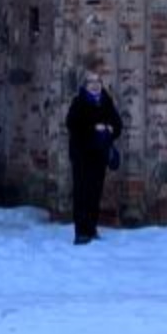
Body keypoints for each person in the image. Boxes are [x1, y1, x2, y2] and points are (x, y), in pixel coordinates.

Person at [65, 66, 123, 243]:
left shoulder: (106, 101)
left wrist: (110, 129)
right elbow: (72, 124)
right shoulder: (79, 102)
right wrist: (93, 128)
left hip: (99, 154)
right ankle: (80, 232)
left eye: (98, 81)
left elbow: (117, 123)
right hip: (82, 155)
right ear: (85, 85)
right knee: (81, 192)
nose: (96, 85)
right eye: (91, 82)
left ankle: (91, 228)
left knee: (95, 192)